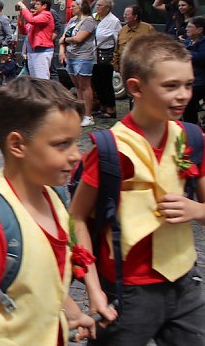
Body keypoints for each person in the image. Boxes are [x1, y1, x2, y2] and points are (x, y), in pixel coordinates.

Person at [70, 32, 205, 345]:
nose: (184, 95)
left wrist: (197, 209)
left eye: (188, 84)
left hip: (184, 283)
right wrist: (94, 290)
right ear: (136, 88)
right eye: (170, 86)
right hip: (127, 290)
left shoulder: (191, 137)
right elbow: (76, 218)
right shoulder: (110, 149)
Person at [0, 77, 95, 344]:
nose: (76, 155)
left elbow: (43, 278)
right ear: (17, 145)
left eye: (76, 142)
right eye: (62, 144)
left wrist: (70, 312)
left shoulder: (51, 199)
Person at [59, 0, 98, 127]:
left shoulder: (89, 21)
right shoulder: (72, 20)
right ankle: (80, 113)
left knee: (85, 86)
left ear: (82, 7)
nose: (71, 8)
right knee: (78, 86)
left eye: (74, 6)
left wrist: (65, 40)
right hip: (71, 56)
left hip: (83, 56)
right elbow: (64, 36)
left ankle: (88, 115)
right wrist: (62, 49)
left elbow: (79, 38)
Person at [93, 0, 122, 119]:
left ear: (108, 7)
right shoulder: (95, 17)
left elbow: (117, 39)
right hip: (93, 54)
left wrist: (116, 57)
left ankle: (111, 108)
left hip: (106, 54)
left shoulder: (114, 21)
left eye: (100, 5)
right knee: (97, 82)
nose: (97, 7)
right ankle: (102, 106)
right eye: (97, 4)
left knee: (106, 82)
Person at [16, 0, 55, 80]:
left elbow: (31, 20)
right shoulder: (36, 17)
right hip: (32, 52)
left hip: (42, 52)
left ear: (44, 6)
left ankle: (44, 93)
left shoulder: (46, 15)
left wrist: (23, 7)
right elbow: (24, 31)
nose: (35, 6)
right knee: (34, 80)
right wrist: (21, 19)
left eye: (37, 4)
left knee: (42, 80)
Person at [113, 5, 155, 75]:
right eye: (124, 14)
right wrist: (116, 66)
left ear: (135, 17)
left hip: (141, 69)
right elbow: (117, 51)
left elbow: (154, 49)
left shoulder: (148, 29)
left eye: (127, 14)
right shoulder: (122, 30)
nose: (124, 16)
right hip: (124, 69)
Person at [183, 16, 205, 125]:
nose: (187, 29)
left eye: (190, 27)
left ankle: (191, 126)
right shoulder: (188, 42)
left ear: (199, 30)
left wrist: (185, 52)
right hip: (188, 78)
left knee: (187, 97)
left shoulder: (203, 42)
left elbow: (201, 57)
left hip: (201, 80)